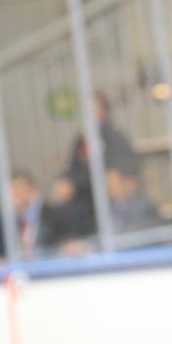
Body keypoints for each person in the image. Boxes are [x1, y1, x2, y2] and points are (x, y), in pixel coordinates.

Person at [55, 90, 139, 237]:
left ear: (101, 109)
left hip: (99, 207)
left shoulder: (114, 137)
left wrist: (75, 184)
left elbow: (112, 172)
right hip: (82, 206)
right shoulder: (83, 138)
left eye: (91, 108)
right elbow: (73, 166)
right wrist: (65, 181)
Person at [10, 170, 70, 259]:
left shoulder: (55, 215)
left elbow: (66, 247)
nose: (13, 196)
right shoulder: (12, 221)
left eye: (17, 190)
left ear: (30, 189)